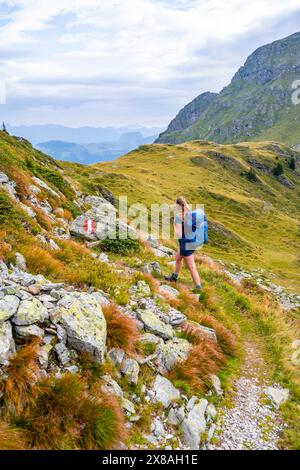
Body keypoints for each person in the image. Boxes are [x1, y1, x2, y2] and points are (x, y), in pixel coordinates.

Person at [164, 196, 202, 291]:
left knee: (191, 267)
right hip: (192, 242)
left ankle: (198, 288)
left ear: (178, 205)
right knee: (177, 258)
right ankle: (174, 277)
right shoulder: (191, 214)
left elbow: (179, 234)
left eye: (175, 204)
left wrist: (175, 227)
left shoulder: (179, 217)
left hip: (185, 244)